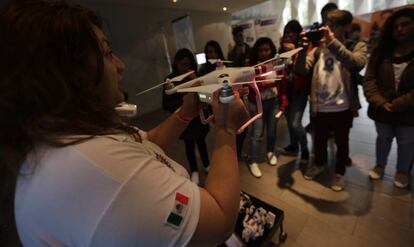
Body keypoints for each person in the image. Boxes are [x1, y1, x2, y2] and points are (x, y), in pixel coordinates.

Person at [0, 1, 249, 246]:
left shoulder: (72, 136)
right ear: (68, 74)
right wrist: (226, 128)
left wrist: (185, 112)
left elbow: (148, 142)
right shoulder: (95, 169)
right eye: (107, 53)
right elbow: (220, 220)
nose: (121, 65)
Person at [295, 9, 367, 191]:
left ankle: (339, 173)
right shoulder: (319, 49)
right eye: (327, 24)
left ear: (346, 27)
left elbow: (356, 63)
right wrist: (303, 50)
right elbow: (302, 69)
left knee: (342, 143)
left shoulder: (355, 45)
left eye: (333, 25)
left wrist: (332, 42)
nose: (328, 28)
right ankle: (319, 164)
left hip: (343, 109)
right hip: (319, 107)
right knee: (319, 141)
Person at [363, 8, 414, 189]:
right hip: (382, 109)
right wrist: (380, 101)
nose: (400, 29)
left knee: (407, 142)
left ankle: (403, 171)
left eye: (406, 24)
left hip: (409, 112)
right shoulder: (380, 53)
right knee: (383, 138)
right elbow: (369, 79)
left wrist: (399, 103)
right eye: (396, 26)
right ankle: (380, 164)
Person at [162, 48, 210, 185]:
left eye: (189, 64)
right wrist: (186, 101)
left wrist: (197, 82)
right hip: (183, 119)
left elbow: (205, 97)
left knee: (202, 142)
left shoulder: (196, 76)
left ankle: (207, 165)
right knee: (189, 145)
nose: (186, 68)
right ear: (176, 63)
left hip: (199, 119)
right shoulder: (170, 80)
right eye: (183, 64)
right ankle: (194, 170)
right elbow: (166, 103)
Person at [246, 37, 288, 178]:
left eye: (267, 49)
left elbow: (281, 83)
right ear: (256, 52)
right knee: (257, 133)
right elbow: (251, 86)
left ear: (271, 50)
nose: (264, 53)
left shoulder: (276, 64)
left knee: (272, 130)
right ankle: (252, 160)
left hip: (273, 101)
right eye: (261, 50)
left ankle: (270, 151)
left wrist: (283, 102)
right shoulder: (252, 66)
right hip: (257, 103)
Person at [279, 20, 311, 162]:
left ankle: (304, 149)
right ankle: (294, 145)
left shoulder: (304, 48)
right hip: (286, 91)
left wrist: (293, 53)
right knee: (289, 120)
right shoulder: (282, 50)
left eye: (293, 31)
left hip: (299, 91)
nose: (290, 34)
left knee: (295, 123)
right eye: (287, 31)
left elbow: (302, 71)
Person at [228, 26, 251, 161]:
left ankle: (239, 150)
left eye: (241, 35)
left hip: (249, 88)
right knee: (239, 121)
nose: (240, 38)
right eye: (237, 36)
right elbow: (232, 70)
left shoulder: (250, 49)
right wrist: (239, 56)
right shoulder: (231, 53)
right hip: (237, 90)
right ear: (234, 37)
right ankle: (236, 151)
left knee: (246, 123)